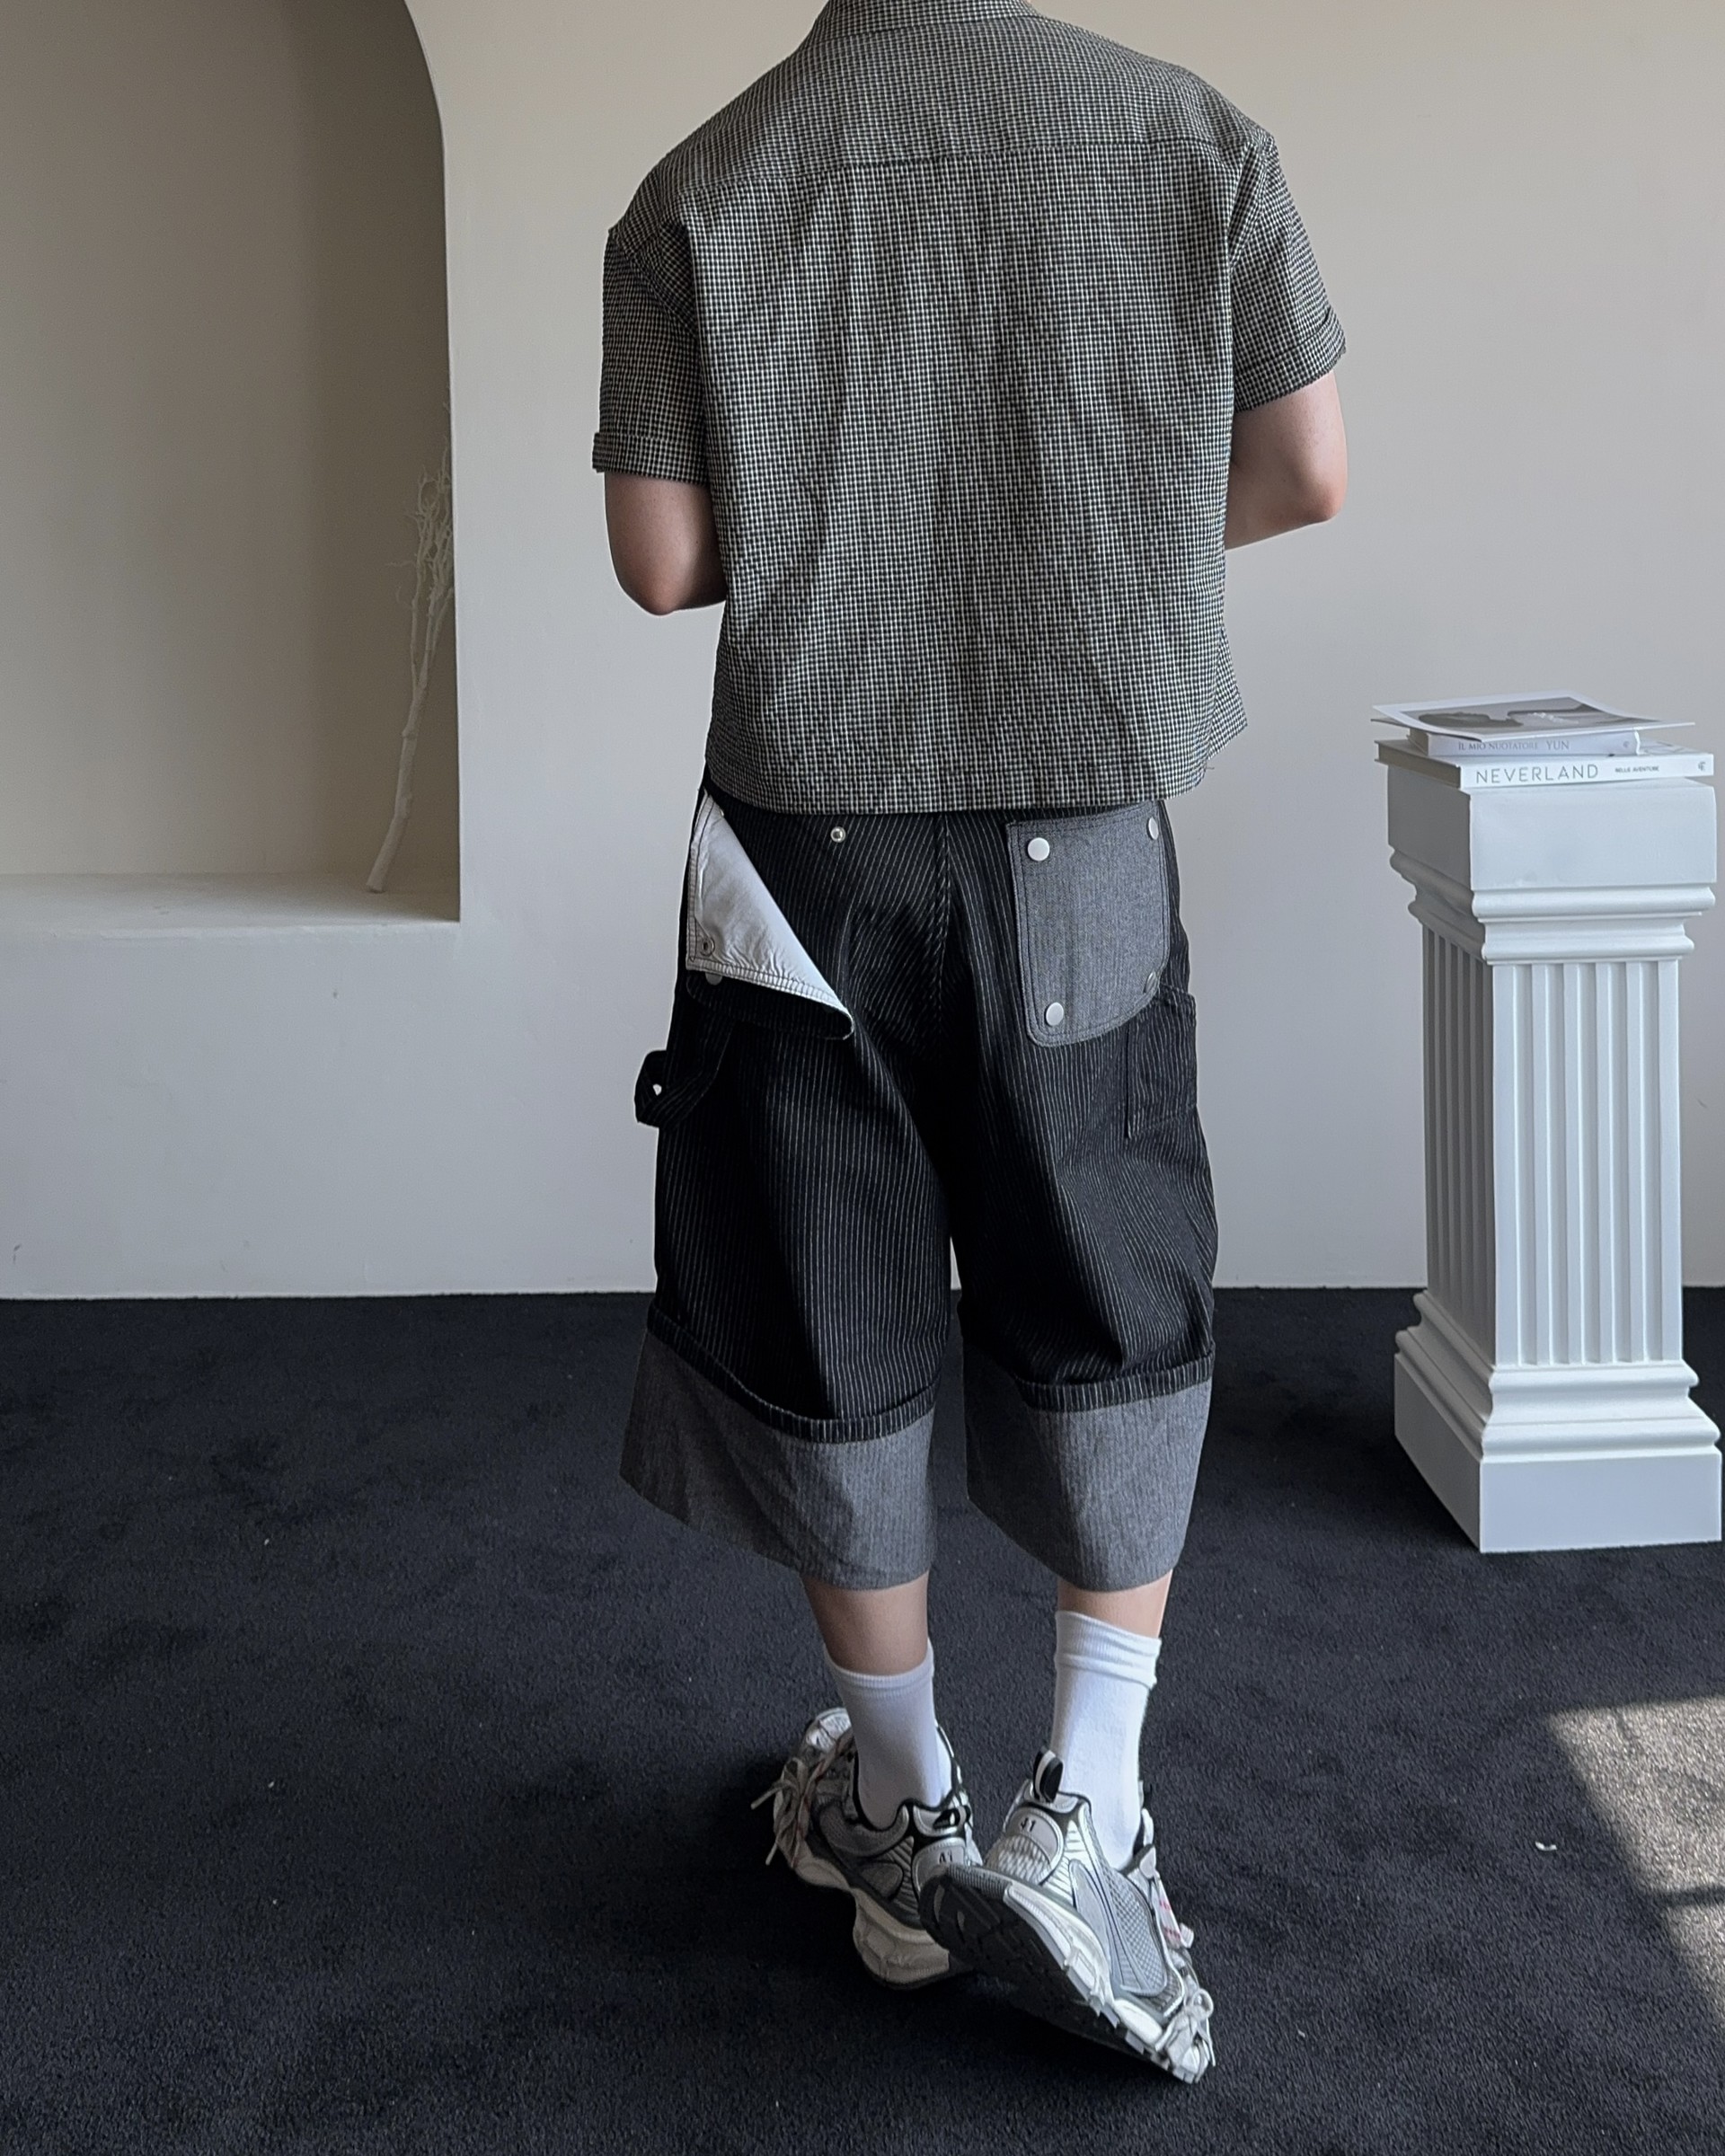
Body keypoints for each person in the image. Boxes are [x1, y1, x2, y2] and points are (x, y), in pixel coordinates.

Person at [593, 0, 1346, 2081]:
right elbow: (1306, 469)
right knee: (1110, 1276)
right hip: (1077, 830)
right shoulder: (1193, 141)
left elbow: (662, 559)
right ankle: (1087, 1811)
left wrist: (858, 543)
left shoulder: (706, 178)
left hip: (804, 859)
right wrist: (1085, 536)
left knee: (821, 1295)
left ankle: (904, 1810)